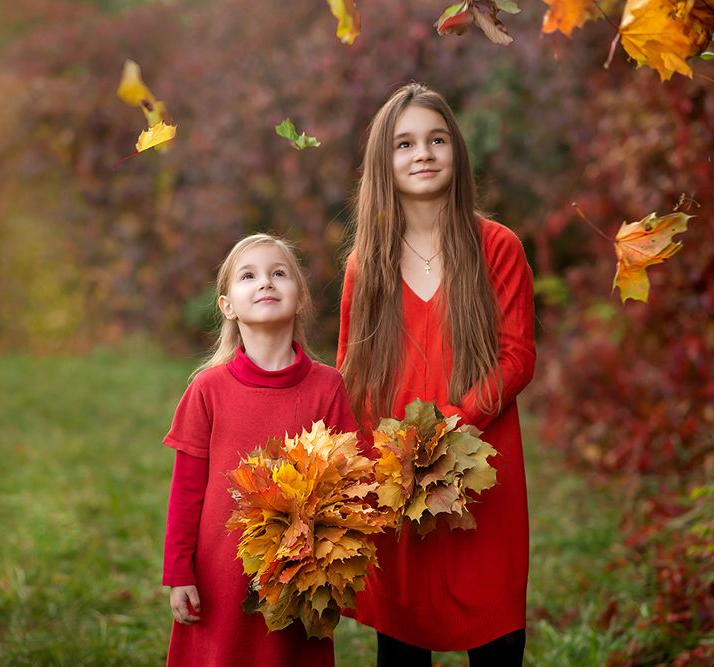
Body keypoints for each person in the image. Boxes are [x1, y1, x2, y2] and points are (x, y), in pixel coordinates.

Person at [337, 82, 536, 666]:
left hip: (482, 465)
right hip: (395, 481)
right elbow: (352, 374)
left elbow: (516, 356)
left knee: (497, 637)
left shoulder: (496, 246)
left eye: (437, 139)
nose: (422, 153)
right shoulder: (366, 263)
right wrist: (377, 468)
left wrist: (452, 426)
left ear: (456, 151)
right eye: (404, 143)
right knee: (401, 645)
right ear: (384, 161)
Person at [161, 233, 356, 667]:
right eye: (248, 276)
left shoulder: (327, 387)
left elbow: (348, 485)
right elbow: (186, 492)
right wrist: (178, 572)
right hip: (219, 575)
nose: (265, 282)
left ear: (300, 298)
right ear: (227, 305)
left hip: (297, 574)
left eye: (278, 273)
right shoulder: (207, 390)